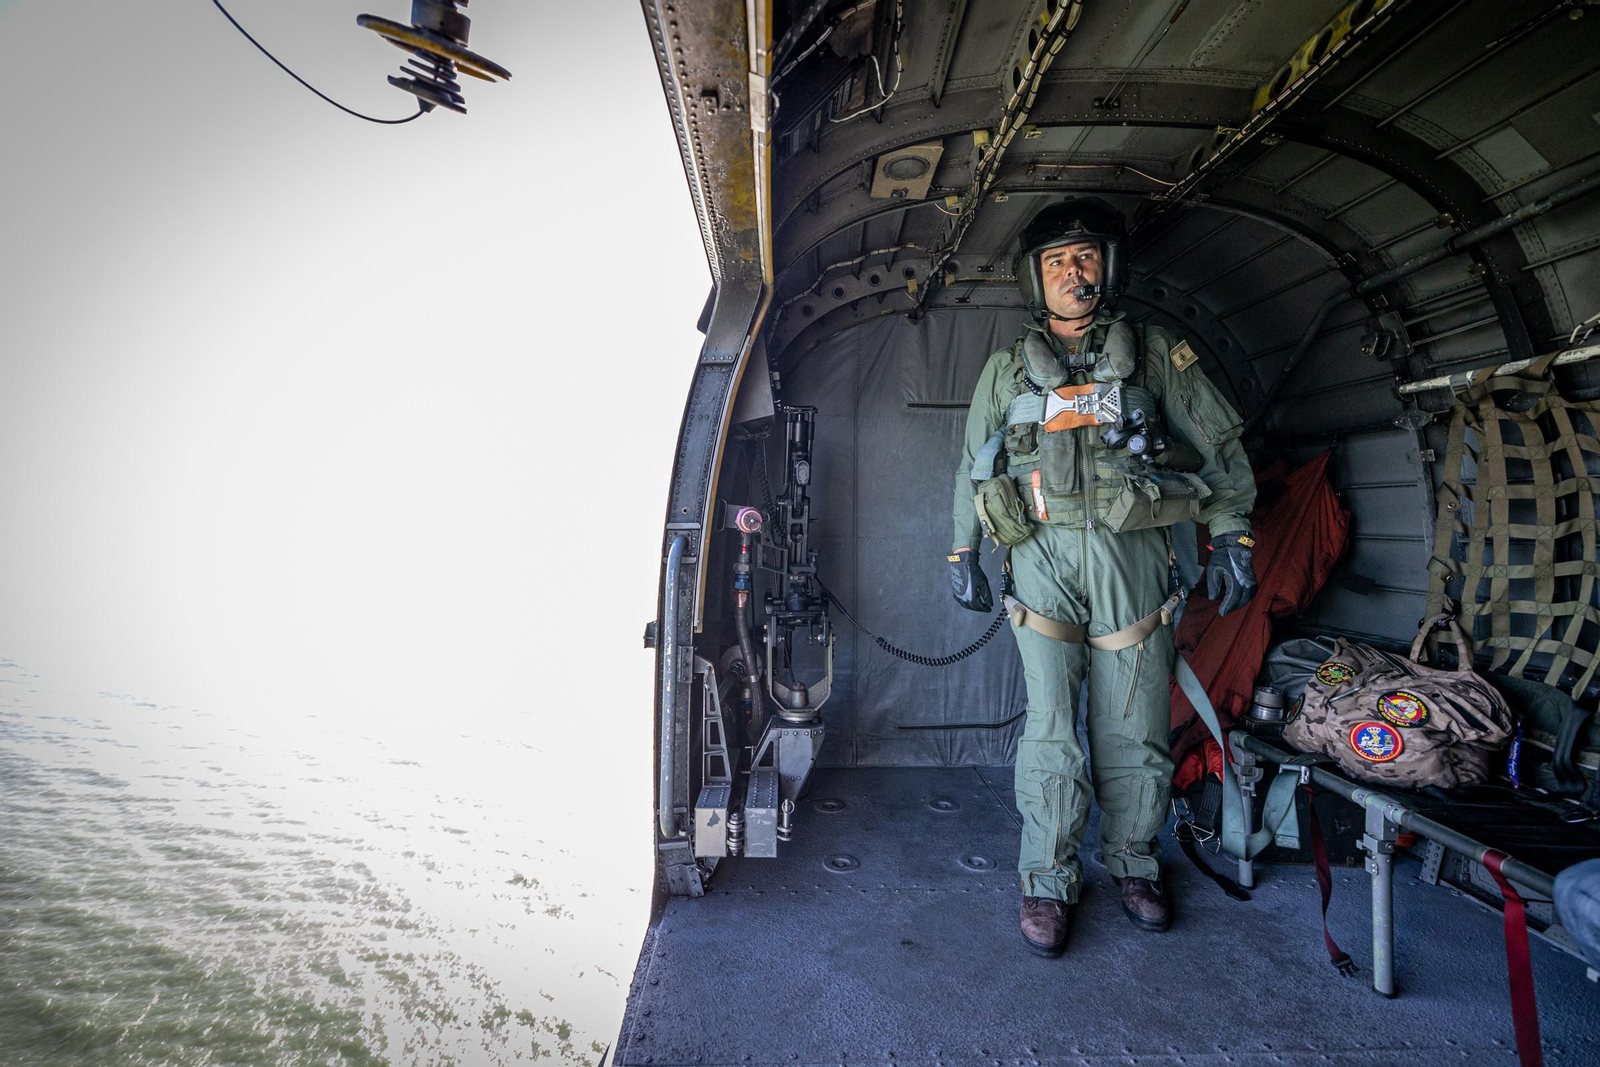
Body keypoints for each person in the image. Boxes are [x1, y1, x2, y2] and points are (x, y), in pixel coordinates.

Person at [946, 198, 1259, 957]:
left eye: (1083, 256)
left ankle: (1134, 860)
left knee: (1134, 726)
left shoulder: (1155, 353)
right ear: (1036, 278)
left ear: (1107, 267)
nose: (1071, 271)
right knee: (1052, 727)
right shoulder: (1005, 370)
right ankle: (1047, 880)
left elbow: (1217, 447)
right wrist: (964, 553)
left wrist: (1232, 532)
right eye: (1056, 261)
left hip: (1134, 561)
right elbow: (973, 463)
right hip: (1043, 560)